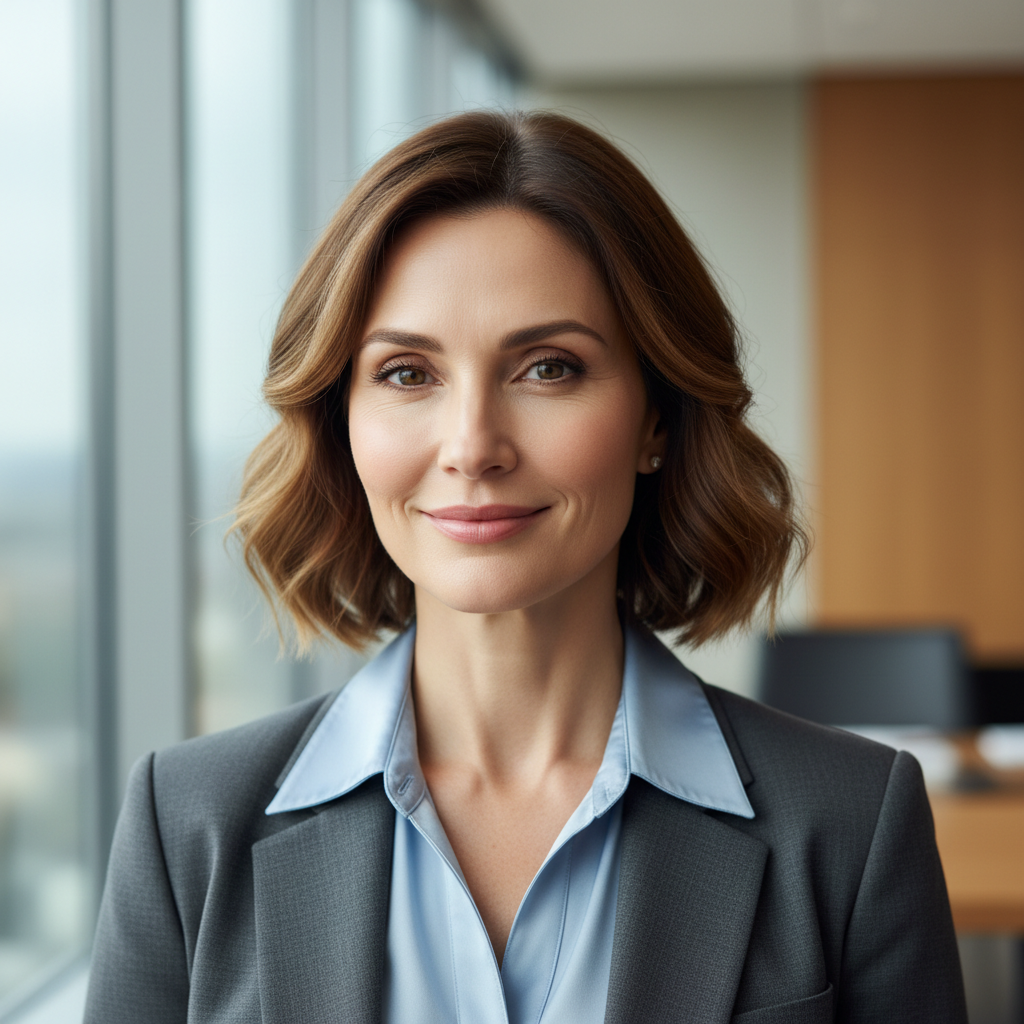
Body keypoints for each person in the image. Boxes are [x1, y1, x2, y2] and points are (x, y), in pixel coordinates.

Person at [84, 110, 967, 1023]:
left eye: (548, 368)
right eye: (405, 374)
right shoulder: (186, 824)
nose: (472, 447)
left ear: (656, 419)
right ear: (342, 422)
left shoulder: (851, 823)